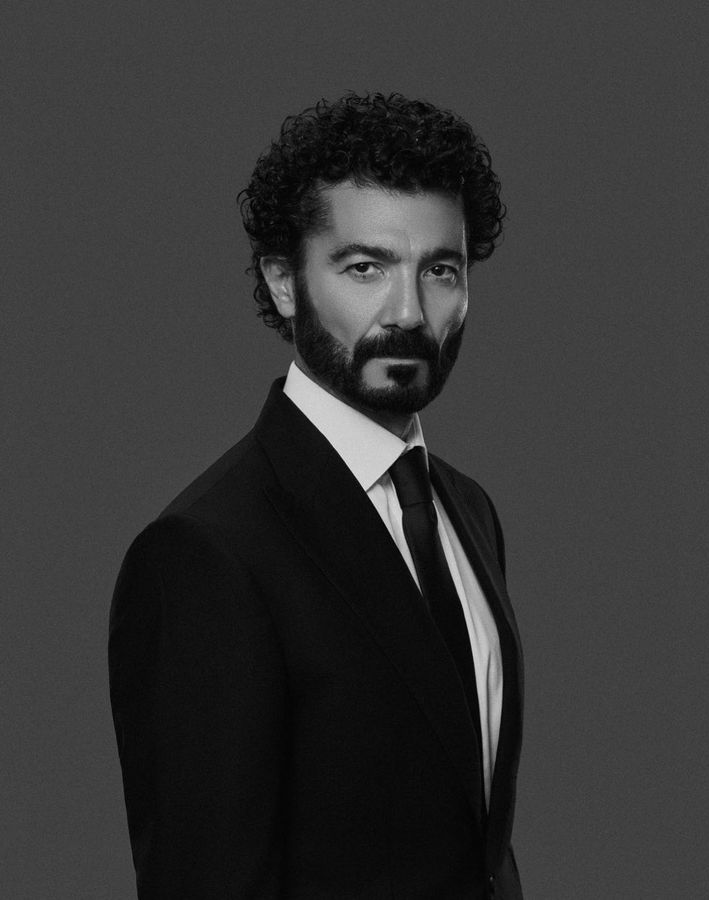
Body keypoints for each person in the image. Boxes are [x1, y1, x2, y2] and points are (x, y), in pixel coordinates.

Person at [109, 91, 524, 899]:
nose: (409, 312)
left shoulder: (466, 511)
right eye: (365, 268)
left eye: (440, 270)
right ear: (284, 281)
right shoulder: (206, 554)